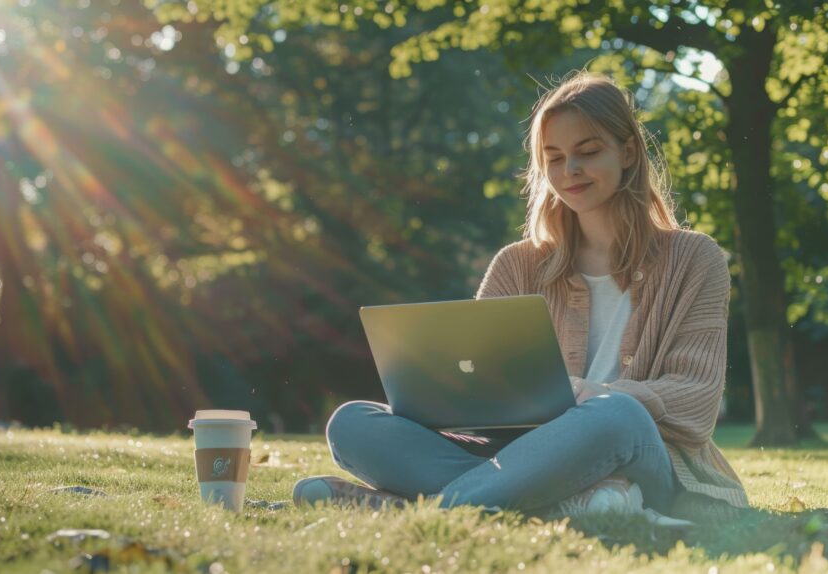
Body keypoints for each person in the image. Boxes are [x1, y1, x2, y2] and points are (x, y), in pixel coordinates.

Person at [292, 70, 749, 524]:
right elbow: (474, 383)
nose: (569, 171)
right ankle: (554, 503)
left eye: (587, 153)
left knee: (616, 414)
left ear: (628, 152)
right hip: (513, 455)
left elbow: (697, 399)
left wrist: (601, 394)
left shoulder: (695, 259)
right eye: (554, 158)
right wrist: (444, 395)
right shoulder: (516, 265)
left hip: (638, 450)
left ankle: (422, 509)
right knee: (353, 423)